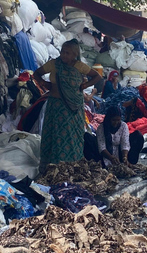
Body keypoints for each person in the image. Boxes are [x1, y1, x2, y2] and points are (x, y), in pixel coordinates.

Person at [34, 39, 102, 169]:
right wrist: (44, 83)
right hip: (56, 106)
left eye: (67, 53)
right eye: (62, 52)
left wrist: (84, 85)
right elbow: (37, 73)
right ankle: (52, 166)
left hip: (73, 108)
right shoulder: (54, 64)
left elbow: (97, 77)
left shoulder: (79, 66)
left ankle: (71, 165)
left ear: (75, 55)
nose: (64, 55)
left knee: (72, 137)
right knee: (55, 136)